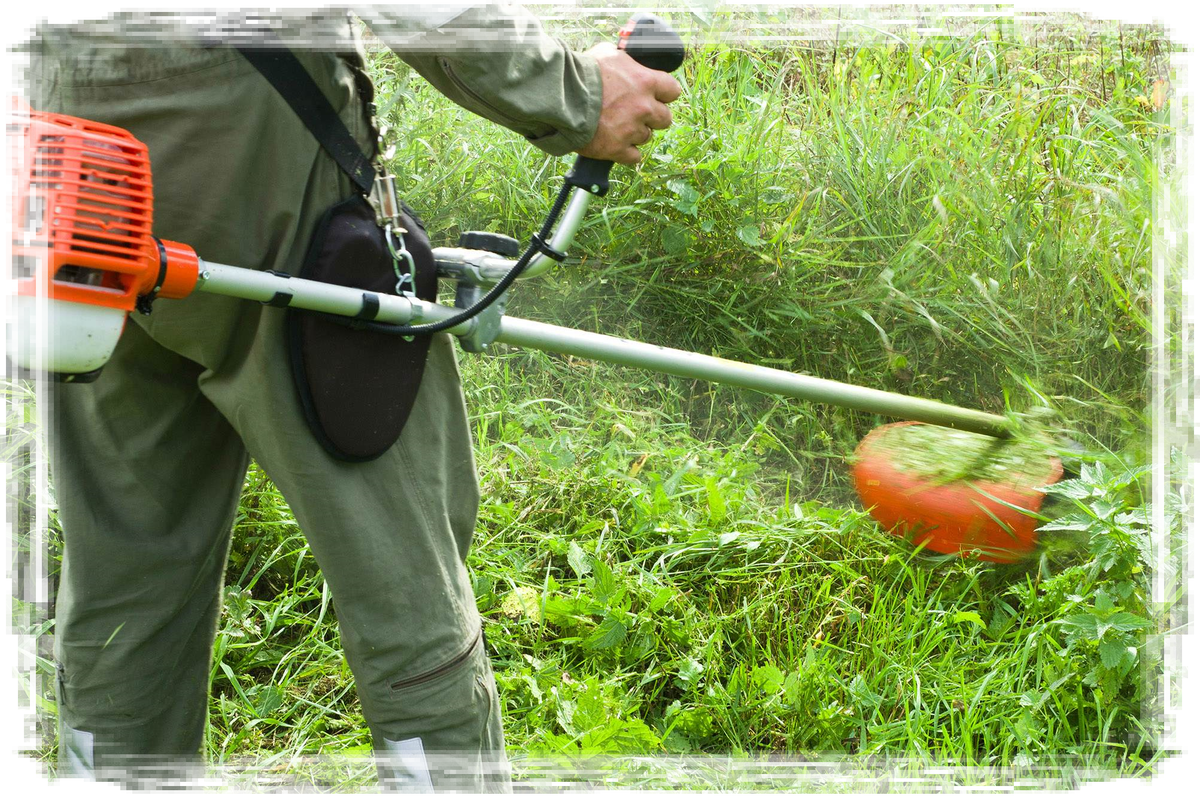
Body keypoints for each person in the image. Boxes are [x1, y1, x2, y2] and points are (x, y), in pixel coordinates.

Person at [3, 3, 681, 795]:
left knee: (126, 579)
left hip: (62, 169)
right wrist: (575, 93)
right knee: (403, 584)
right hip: (251, 166)